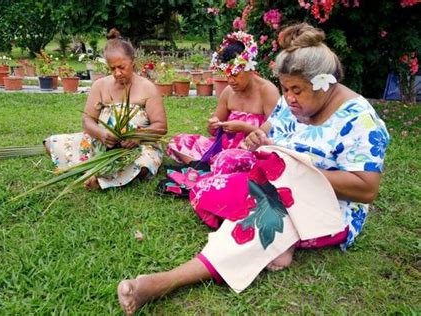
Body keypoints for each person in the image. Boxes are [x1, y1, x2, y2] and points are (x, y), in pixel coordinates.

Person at [117, 23, 389, 314]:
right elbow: (271, 131)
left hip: (328, 208)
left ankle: (165, 281)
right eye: (286, 89)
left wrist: (298, 171)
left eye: (297, 90)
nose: (289, 98)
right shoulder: (292, 102)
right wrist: (259, 138)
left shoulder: (360, 120)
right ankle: (281, 237)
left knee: (262, 220)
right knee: (209, 186)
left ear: (326, 83)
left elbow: (367, 189)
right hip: (278, 182)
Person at [44, 29, 167, 190]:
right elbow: (87, 121)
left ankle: (103, 180)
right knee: (51, 143)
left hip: (138, 147)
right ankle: (101, 168)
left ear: (133, 63)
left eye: (122, 67)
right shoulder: (100, 86)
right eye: (112, 68)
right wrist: (101, 134)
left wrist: (138, 137)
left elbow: (161, 126)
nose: (117, 73)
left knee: (144, 164)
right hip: (101, 144)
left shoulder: (147, 88)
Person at [167, 31, 279, 165]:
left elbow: (276, 136)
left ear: (250, 68)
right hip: (224, 147)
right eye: (227, 75)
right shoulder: (228, 92)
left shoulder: (267, 91)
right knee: (177, 141)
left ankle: (209, 166)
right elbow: (212, 131)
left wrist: (245, 128)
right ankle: (208, 165)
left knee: (228, 159)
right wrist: (213, 124)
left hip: (252, 150)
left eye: (236, 74)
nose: (231, 80)